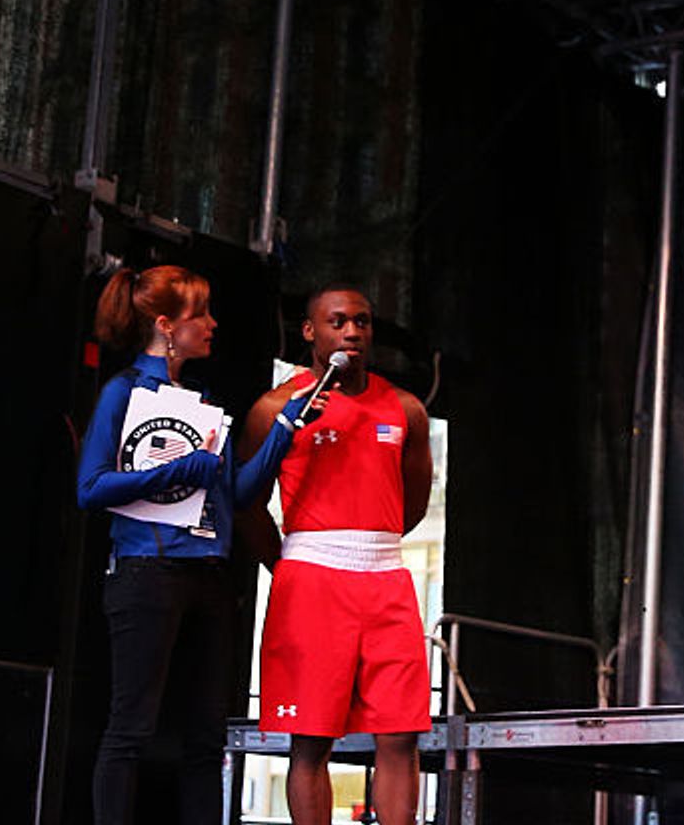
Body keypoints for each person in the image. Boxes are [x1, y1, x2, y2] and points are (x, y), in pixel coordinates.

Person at [77, 265, 320, 825]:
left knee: (207, 737)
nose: (212, 325)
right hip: (145, 569)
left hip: (211, 576)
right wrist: (175, 470)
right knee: (130, 728)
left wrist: (284, 429)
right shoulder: (123, 393)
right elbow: (90, 488)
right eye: (200, 315)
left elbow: (236, 491)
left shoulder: (203, 399)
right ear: (166, 326)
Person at [238, 286, 434, 825]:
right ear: (311, 331)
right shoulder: (276, 408)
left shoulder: (407, 408)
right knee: (311, 739)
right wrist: (290, 565)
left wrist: (365, 539)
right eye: (338, 321)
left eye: (363, 322)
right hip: (311, 577)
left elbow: (409, 505)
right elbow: (246, 503)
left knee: (400, 733)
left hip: (385, 574)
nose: (352, 332)